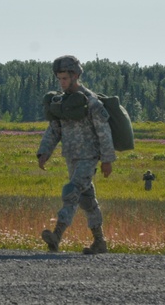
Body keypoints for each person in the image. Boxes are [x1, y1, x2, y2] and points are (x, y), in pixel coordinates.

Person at [37, 55, 115, 255]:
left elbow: (103, 132)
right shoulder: (61, 103)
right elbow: (54, 130)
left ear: (75, 76)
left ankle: (57, 235)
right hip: (71, 157)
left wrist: (107, 159)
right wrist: (44, 152)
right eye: (59, 79)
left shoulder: (91, 103)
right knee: (87, 199)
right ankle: (99, 242)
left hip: (89, 158)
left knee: (71, 192)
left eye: (65, 78)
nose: (61, 83)